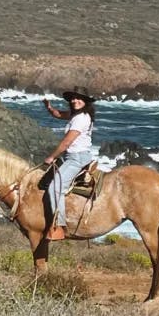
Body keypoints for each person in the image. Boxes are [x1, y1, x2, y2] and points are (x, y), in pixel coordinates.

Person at [42, 86, 96, 240]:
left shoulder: (80, 118)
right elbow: (59, 115)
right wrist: (49, 108)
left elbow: (66, 142)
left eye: (78, 98)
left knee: (54, 188)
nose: (74, 101)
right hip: (74, 156)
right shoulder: (77, 115)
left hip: (76, 158)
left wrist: (51, 157)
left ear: (85, 101)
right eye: (72, 98)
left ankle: (59, 228)